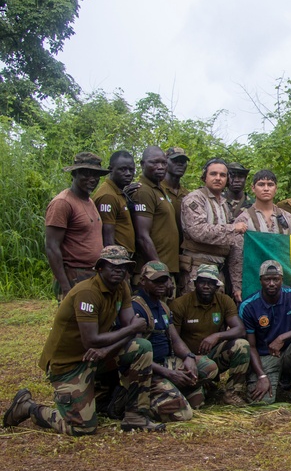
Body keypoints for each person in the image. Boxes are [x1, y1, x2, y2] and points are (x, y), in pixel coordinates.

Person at [3, 246, 165, 434]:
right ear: (100, 268)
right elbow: (94, 339)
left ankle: (136, 415)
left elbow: (132, 331)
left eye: (124, 267)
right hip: (68, 364)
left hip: (95, 356)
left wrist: (107, 349)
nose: (119, 271)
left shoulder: (122, 287)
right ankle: (28, 407)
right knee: (82, 428)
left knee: (142, 347)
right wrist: (129, 330)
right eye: (113, 266)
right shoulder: (87, 292)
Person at [239, 260, 291, 405]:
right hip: (265, 357)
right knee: (260, 403)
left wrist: (282, 337)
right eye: (267, 279)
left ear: (281, 280)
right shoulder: (248, 306)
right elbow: (250, 346)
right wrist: (261, 376)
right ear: (260, 280)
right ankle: (275, 377)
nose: (271, 283)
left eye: (276, 279)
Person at [170, 264, 251, 406]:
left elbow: (240, 329)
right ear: (195, 284)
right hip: (187, 359)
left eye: (211, 283)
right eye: (202, 282)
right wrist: (188, 356)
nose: (206, 286)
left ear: (217, 286)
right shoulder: (180, 304)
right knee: (198, 402)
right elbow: (173, 340)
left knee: (241, 345)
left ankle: (232, 393)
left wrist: (217, 336)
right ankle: (199, 384)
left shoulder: (224, 300)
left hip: (212, 355)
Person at [130, 261, 199, 421]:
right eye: (156, 281)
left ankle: (175, 391)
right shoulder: (136, 307)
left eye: (165, 280)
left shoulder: (163, 307)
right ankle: (137, 406)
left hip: (166, 362)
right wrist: (169, 374)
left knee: (207, 367)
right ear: (142, 281)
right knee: (184, 414)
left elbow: (175, 339)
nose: (162, 284)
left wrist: (189, 357)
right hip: (147, 370)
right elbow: (136, 355)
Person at [179, 158, 248, 294]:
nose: (218, 178)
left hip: (219, 270)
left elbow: (233, 243)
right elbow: (198, 231)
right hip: (197, 270)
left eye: (222, 175)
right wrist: (232, 228)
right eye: (213, 174)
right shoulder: (195, 199)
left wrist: (236, 284)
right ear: (204, 177)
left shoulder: (224, 204)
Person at [44, 152, 107, 299]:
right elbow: (52, 246)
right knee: (75, 320)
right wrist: (66, 286)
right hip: (74, 275)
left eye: (96, 174)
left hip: (92, 273)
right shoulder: (62, 203)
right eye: (86, 174)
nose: (92, 179)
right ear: (74, 174)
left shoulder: (88, 201)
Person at [230, 170, 291, 297]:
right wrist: (237, 286)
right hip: (254, 280)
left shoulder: (289, 219)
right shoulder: (244, 220)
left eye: (270, 184)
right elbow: (237, 257)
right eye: (261, 184)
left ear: (276, 188)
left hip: (285, 281)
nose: (266, 188)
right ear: (253, 188)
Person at [132, 146, 181, 284]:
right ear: (142, 164)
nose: (160, 167)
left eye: (164, 163)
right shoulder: (143, 191)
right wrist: (160, 271)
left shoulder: (159, 189)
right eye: (154, 163)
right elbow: (142, 236)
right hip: (152, 275)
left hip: (165, 271)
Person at [92, 150, 137, 254]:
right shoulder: (108, 196)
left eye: (131, 170)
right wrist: (115, 263)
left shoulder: (118, 192)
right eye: (123, 169)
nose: (128, 174)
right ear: (110, 170)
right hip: (117, 259)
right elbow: (107, 238)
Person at [164, 146, 190, 242]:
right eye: (175, 160)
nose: (180, 164)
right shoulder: (157, 189)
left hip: (180, 249)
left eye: (183, 161)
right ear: (166, 162)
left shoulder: (187, 195)